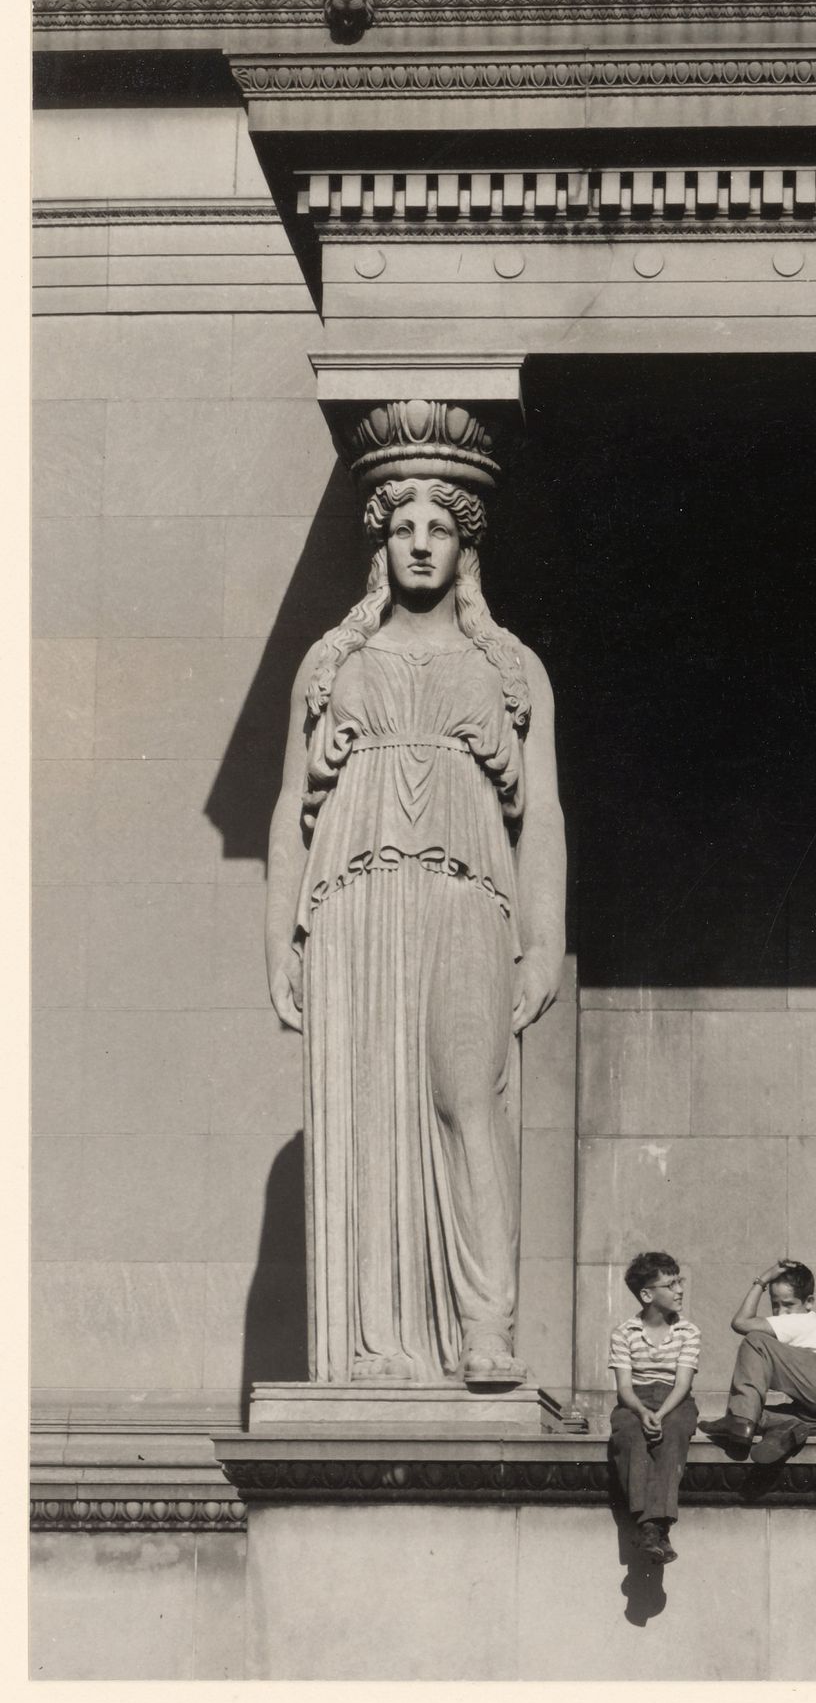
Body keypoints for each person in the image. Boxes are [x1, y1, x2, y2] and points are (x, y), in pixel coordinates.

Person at [264, 403, 566, 1384]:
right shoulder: (332, 663)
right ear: (381, 539)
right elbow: (285, 813)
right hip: (353, 896)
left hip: (466, 890)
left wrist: (542, 935)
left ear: (465, 542)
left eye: (441, 526)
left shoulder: (509, 667)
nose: (422, 543)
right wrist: (281, 945)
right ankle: (377, 1347)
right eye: (404, 526)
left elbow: (545, 813)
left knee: (462, 1096)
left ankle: (485, 1327)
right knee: (370, 1107)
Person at [699, 1260, 816, 1463]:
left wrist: (762, 1280)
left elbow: (740, 1322)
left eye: (789, 1304)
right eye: (775, 1305)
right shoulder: (803, 1324)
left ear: (809, 1302)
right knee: (762, 1415)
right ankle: (781, 1432)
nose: (781, 1312)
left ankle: (740, 1419)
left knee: (755, 1341)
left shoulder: (801, 1321)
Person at [607, 1252, 701, 1564]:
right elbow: (624, 1388)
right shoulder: (624, 1333)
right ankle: (652, 1527)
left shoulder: (688, 1331)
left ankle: (655, 1525)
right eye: (670, 1284)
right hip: (636, 1399)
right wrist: (642, 1411)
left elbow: (683, 1384)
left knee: (672, 1432)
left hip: (675, 1401)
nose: (679, 1290)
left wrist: (660, 1415)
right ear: (647, 1294)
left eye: (679, 1281)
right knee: (630, 1434)